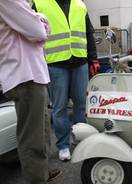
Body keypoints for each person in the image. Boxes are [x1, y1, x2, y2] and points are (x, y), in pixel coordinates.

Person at [0, 0, 61, 183]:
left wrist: (38, 20)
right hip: (24, 75)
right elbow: (38, 31)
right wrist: (40, 20)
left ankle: (40, 172)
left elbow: (41, 30)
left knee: (41, 130)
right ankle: (36, 178)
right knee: (31, 135)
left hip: (31, 74)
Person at [32, 0, 100, 161]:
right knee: (59, 107)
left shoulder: (80, 4)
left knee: (81, 104)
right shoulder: (39, 4)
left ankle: (80, 139)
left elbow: (88, 32)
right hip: (55, 63)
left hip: (80, 62)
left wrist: (94, 58)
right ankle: (63, 145)